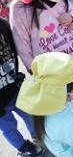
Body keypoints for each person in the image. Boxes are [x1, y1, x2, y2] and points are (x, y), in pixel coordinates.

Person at [10, 0, 73, 107]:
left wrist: (71, 18)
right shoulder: (20, 9)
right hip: (49, 68)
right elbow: (22, 43)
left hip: (72, 54)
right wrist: (34, 69)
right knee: (61, 99)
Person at [0, 19, 44, 157]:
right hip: (3, 98)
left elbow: (15, 48)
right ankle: (26, 147)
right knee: (9, 126)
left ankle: (39, 139)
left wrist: (16, 73)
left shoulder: (3, 24)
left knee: (27, 113)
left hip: (14, 86)